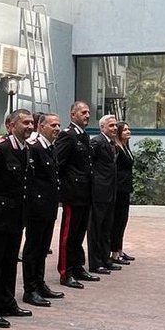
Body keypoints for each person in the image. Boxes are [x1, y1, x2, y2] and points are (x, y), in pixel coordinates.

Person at [0, 109, 35, 328]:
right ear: (10, 125)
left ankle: (7, 301)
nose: (29, 127)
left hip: (15, 216)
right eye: (24, 123)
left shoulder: (26, 149)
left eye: (31, 123)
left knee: (10, 261)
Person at [21, 112, 64, 308]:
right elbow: (31, 180)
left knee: (43, 249)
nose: (56, 129)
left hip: (49, 206)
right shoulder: (35, 148)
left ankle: (40, 283)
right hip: (37, 207)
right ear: (41, 127)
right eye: (52, 125)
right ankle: (30, 289)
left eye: (58, 125)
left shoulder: (51, 148)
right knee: (33, 248)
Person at [54, 101, 99, 288]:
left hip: (85, 192)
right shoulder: (68, 136)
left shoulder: (84, 136)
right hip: (73, 193)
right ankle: (66, 271)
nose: (87, 115)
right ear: (73, 115)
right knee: (69, 234)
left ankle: (77, 265)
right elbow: (59, 164)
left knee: (80, 232)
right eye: (83, 112)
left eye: (88, 112)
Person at [87, 114, 121, 275]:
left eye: (115, 125)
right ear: (102, 127)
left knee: (107, 227)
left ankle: (106, 259)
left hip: (110, 192)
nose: (114, 128)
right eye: (111, 126)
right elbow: (89, 164)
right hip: (99, 192)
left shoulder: (111, 143)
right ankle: (96, 262)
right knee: (96, 229)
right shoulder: (97, 142)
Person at [111, 121, 136, 264]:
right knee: (117, 220)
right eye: (125, 129)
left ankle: (119, 249)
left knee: (123, 220)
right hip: (118, 188)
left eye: (128, 128)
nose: (128, 131)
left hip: (126, 188)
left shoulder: (125, 147)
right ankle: (114, 252)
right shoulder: (116, 148)